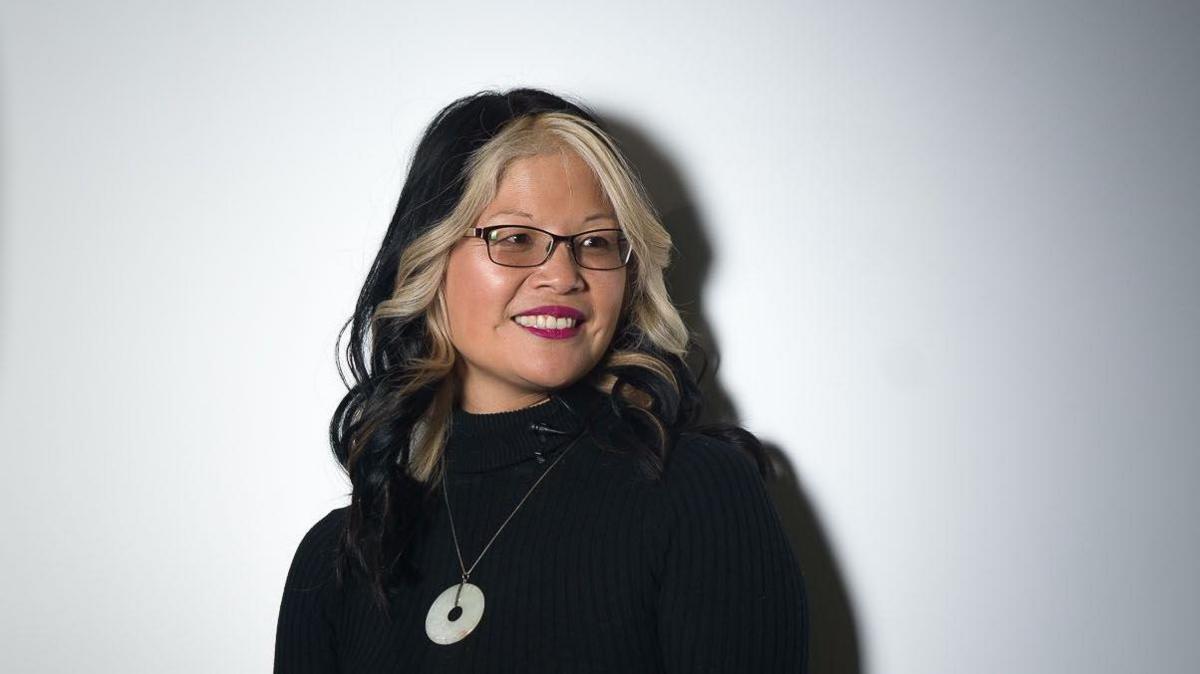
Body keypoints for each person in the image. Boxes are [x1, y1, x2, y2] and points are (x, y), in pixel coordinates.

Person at [273, 87, 809, 672]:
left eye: (597, 242)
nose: (562, 274)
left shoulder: (696, 494)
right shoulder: (339, 557)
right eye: (516, 238)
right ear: (430, 263)